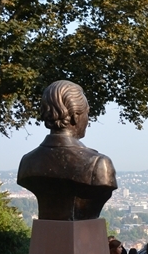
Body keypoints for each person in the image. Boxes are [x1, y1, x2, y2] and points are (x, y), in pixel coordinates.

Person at [17, 80, 117, 220]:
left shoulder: (27, 162)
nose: (87, 120)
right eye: (86, 113)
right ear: (75, 116)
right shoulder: (98, 164)